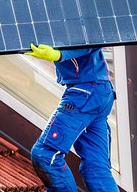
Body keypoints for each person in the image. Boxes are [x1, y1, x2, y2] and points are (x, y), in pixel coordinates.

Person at [25, 43, 118, 191]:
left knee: (45, 155)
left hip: (85, 91)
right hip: (100, 91)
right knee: (95, 167)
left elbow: (89, 38)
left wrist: (59, 55)